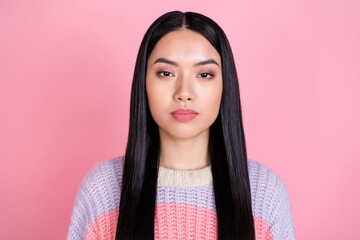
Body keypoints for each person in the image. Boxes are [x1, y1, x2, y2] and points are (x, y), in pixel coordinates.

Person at [66, 10, 296, 240]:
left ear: (225, 86)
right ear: (143, 83)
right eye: (166, 73)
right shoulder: (102, 190)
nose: (184, 93)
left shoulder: (265, 194)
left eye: (204, 74)